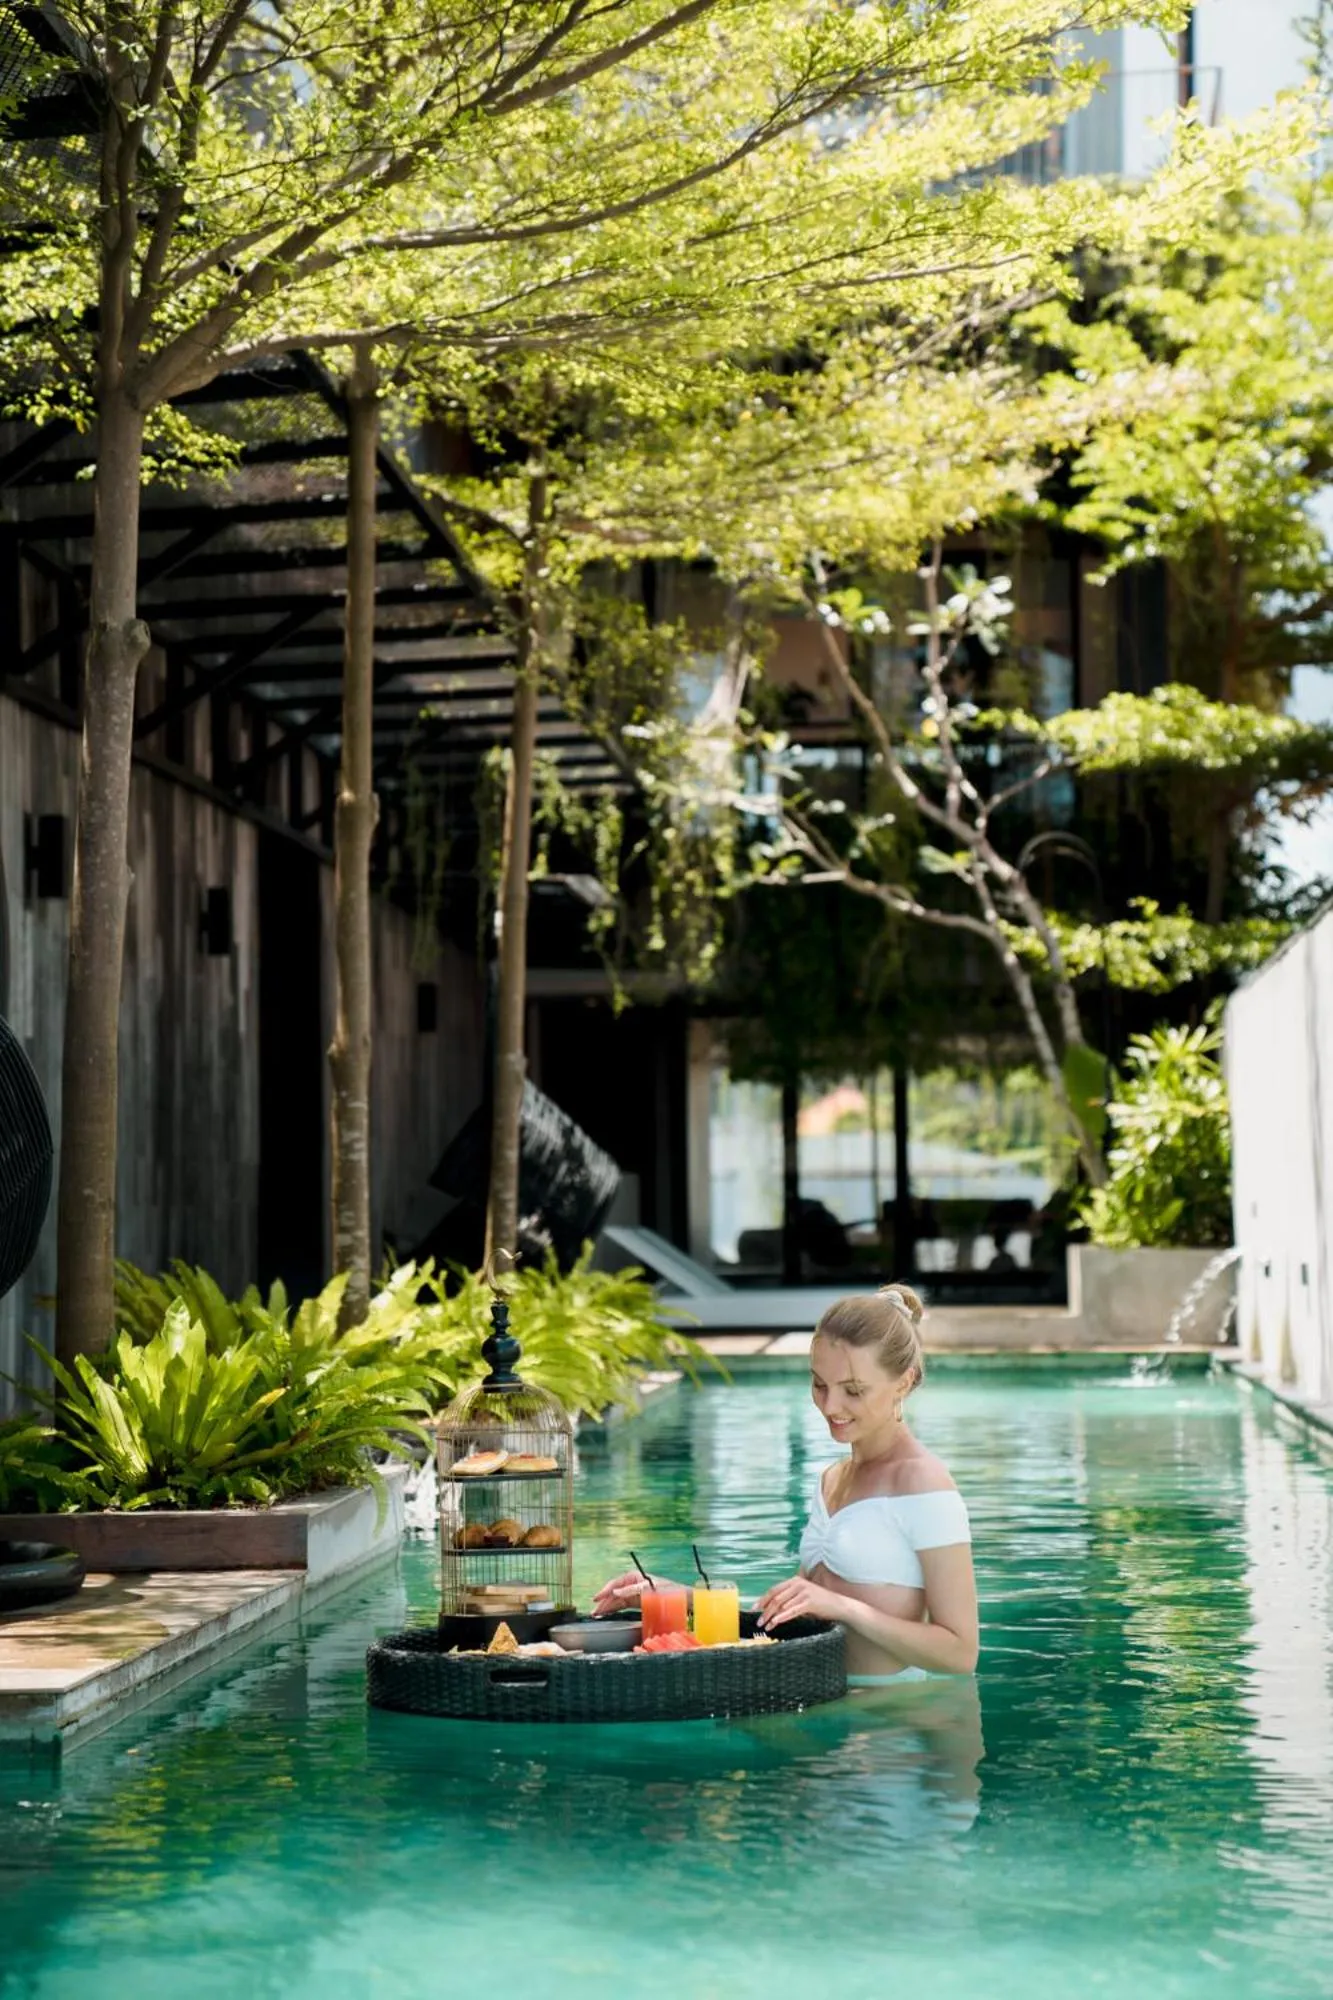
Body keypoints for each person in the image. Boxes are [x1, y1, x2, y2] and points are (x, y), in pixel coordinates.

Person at [593, 1284, 979, 1686]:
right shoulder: (832, 1480)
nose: (830, 1406)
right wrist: (681, 1598)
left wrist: (845, 1608)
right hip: (817, 1699)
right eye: (820, 1384)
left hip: (893, 1714)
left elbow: (960, 1653)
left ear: (903, 1382)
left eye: (853, 1390)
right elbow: (791, 1615)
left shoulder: (923, 1484)